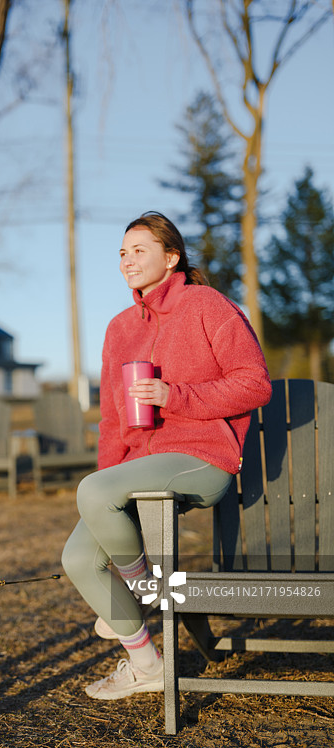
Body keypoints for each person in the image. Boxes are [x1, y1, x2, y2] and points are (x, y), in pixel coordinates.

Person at [61, 211, 272, 700]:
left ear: (171, 257)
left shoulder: (206, 304)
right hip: (138, 469)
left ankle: (144, 592)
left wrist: (173, 396)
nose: (127, 260)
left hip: (202, 457)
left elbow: (254, 383)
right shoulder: (119, 328)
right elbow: (111, 419)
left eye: (139, 251)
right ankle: (147, 667)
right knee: (78, 557)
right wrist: (107, 495)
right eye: (122, 252)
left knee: (93, 490)